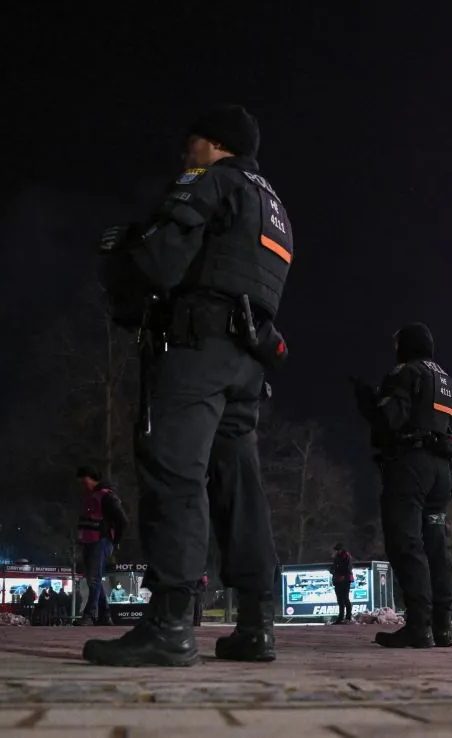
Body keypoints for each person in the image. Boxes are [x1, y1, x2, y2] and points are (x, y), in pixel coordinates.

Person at [88, 105, 292, 667]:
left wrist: (120, 256)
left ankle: (170, 624)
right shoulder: (274, 206)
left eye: (191, 144)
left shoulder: (214, 181)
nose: (185, 155)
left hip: (197, 349)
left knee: (174, 472)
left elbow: (159, 261)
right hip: (246, 362)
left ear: (215, 144)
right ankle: (256, 623)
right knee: (239, 490)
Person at [354, 324, 452, 648]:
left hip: (411, 467)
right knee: (437, 548)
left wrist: (368, 402)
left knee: (407, 544)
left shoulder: (405, 372)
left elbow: (390, 419)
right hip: (441, 471)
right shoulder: (445, 380)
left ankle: (418, 626)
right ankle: (443, 626)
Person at [75, 467, 129, 627]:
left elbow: (122, 520)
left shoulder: (107, 497)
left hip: (101, 541)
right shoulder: (92, 496)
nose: (84, 486)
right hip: (90, 541)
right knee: (93, 580)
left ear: (92, 478)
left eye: (85, 482)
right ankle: (104, 615)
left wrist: (115, 540)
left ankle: (89, 614)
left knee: (94, 579)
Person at [330, 543, 354, 625]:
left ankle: (348, 617)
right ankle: (340, 618)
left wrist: (337, 569)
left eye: (337, 550)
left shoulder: (346, 556)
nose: (337, 551)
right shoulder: (337, 557)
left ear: (341, 550)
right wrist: (332, 570)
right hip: (338, 580)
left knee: (345, 598)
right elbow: (333, 566)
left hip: (345, 580)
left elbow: (348, 568)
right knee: (340, 600)